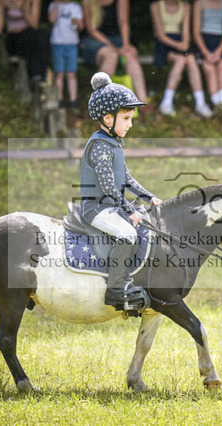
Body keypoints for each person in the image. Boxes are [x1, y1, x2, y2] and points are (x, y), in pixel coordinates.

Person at [81, 72, 162, 313]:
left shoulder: (114, 143)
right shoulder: (100, 146)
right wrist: (129, 211)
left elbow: (126, 179)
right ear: (108, 117)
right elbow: (108, 187)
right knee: (127, 234)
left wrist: (149, 197)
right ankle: (116, 289)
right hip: (96, 208)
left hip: (110, 206)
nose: (130, 124)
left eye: (131, 118)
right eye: (126, 118)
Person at [150, 0, 214, 118]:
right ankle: (166, 102)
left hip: (180, 41)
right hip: (163, 44)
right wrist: (176, 45)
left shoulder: (185, 6)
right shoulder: (156, 6)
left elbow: (186, 32)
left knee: (191, 59)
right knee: (180, 59)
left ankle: (200, 103)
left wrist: (185, 43)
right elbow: (160, 34)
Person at [81, 0, 149, 105]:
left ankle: (143, 102)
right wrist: (113, 47)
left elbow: (124, 22)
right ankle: (98, 101)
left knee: (130, 55)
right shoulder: (87, 1)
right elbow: (91, 29)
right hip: (93, 40)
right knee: (111, 55)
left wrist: (126, 45)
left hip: (117, 39)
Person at [192, 0, 222, 117]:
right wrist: (206, 52)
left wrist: (219, 50)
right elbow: (196, 32)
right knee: (210, 72)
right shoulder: (199, 3)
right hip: (204, 42)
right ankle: (219, 104)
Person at [0, 0, 49, 87]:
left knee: (41, 34)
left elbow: (34, 25)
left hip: (29, 38)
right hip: (13, 39)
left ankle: (40, 78)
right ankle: (36, 78)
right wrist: (1, 8)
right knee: (33, 37)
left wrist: (24, 8)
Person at [48, 0, 84, 111]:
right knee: (59, 73)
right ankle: (59, 99)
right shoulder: (53, 5)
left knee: (71, 73)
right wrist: (56, 4)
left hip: (72, 44)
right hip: (57, 43)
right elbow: (51, 19)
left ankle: (73, 100)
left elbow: (81, 27)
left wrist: (77, 22)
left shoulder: (76, 7)